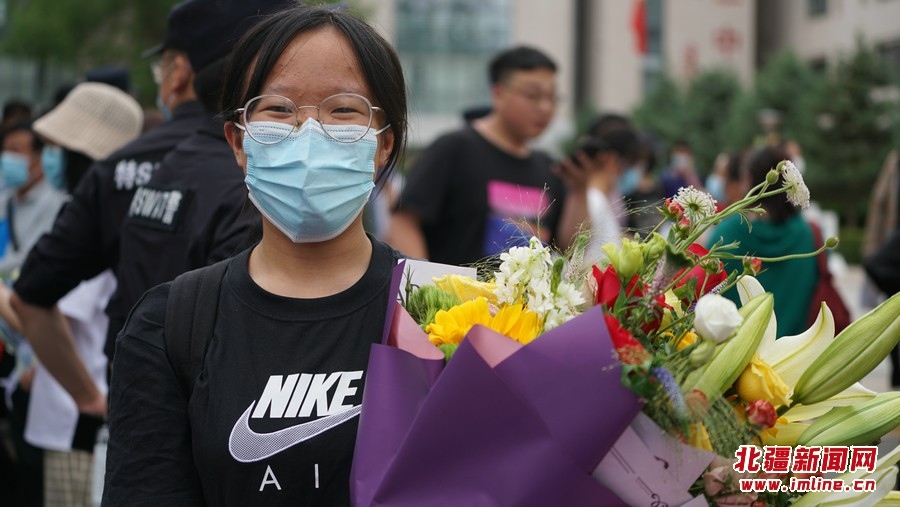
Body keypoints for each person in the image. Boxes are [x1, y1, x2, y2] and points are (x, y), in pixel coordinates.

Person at [103, 4, 407, 504]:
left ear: (383, 143)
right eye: (279, 110)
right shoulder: (168, 325)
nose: (309, 133)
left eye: (343, 110)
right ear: (239, 141)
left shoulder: (442, 310)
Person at [7, 0, 236, 418]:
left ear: (178, 72)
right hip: (245, 426)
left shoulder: (119, 168)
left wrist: (90, 399)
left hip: (139, 420)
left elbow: (31, 296)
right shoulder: (272, 169)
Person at [16, 80, 142, 506]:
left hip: (79, 419)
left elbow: (33, 307)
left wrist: (87, 398)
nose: (49, 158)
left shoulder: (93, 227)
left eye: (57, 149)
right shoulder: (115, 215)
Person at [389, 45, 586, 266]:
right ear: (498, 93)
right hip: (455, 288)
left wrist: (579, 192)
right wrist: (420, 280)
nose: (545, 107)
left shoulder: (549, 168)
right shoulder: (455, 149)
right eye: (533, 96)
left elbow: (567, 248)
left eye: (552, 98)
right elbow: (404, 221)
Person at [706, 145, 817, 337]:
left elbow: (706, 291)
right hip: (793, 348)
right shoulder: (807, 235)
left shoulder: (728, 232)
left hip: (734, 347)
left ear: (748, 180)